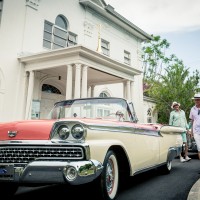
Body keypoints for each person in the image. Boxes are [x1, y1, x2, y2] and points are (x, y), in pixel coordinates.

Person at [189, 93, 200, 160]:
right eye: (196, 100)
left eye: (198, 100)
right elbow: (192, 121)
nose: (197, 101)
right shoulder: (192, 109)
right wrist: (191, 131)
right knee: (199, 148)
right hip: (196, 131)